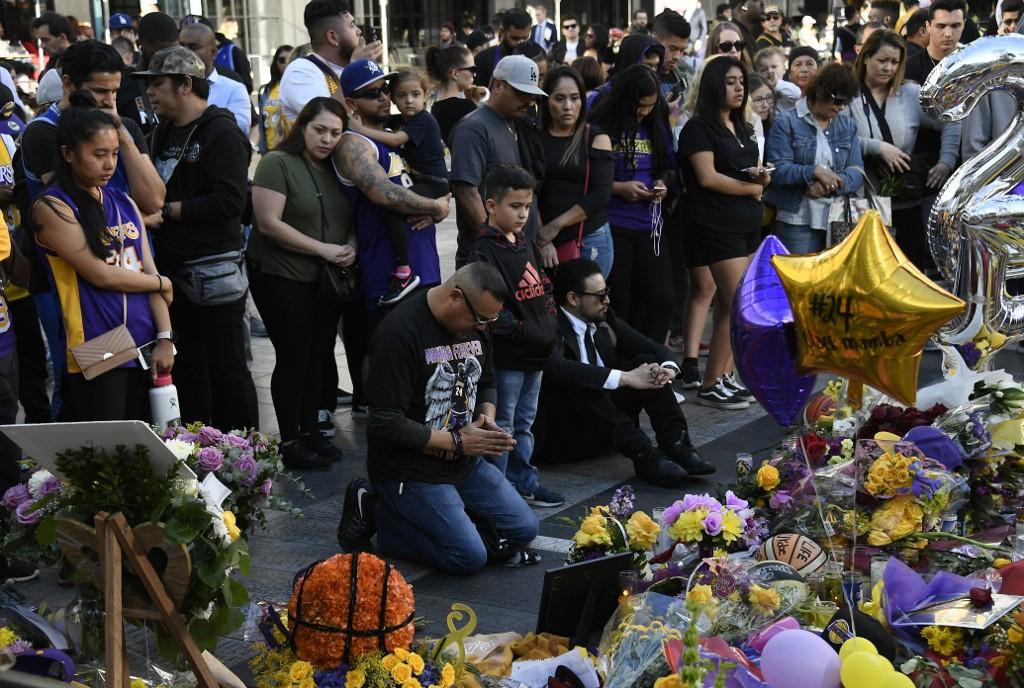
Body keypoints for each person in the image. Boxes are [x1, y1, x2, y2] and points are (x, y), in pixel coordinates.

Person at [337, 262, 539, 575]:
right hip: (408, 469)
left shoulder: (477, 322)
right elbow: (385, 422)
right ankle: (381, 516)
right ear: (455, 296)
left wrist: (486, 420)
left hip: (463, 461)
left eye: (490, 320)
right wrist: (458, 442)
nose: (483, 327)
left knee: (525, 529)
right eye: (480, 319)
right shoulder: (399, 333)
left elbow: (486, 381)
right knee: (468, 557)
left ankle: (453, 518)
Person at [136, 46, 258, 430]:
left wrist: (166, 211)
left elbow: (230, 202)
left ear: (186, 84)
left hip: (213, 270)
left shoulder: (222, 132)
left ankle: (246, 453)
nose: (150, 92)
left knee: (228, 371)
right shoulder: (161, 131)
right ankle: (198, 450)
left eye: (157, 83)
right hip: (169, 271)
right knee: (188, 370)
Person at [32, 93, 173, 422]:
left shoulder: (124, 201)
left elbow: (147, 267)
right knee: (110, 445)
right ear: (68, 153)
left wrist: (166, 337)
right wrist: (161, 282)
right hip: (97, 343)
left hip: (145, 338)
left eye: (114, 153)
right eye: (98, 154)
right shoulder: (53, 207)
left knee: (150, 441)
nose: (110, 164)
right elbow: (101, 274)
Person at [536, 258, 714, 484]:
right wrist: (628, 378)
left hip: (608, 431)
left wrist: (667, 369)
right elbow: (559, 370)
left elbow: (651, 348)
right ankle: (644, 454)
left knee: (648, 363)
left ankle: (677, 444)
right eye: (600, 295)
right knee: (584, 384)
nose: (607, 300)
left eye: (607, 292)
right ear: (573, 298)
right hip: (567, 438)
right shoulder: (549, 326)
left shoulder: (603, 318)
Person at [249, 97, 350, 470]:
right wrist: (323, 249)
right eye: (320, 130)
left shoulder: (340, 168)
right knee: (294, 355)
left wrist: (351, 246)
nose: (327, 139)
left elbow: (354, 214)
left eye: (335, 133)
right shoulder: (277, 163)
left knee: (318, 354)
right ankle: (290, 440)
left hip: (325, 279)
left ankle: (311, 431)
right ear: (303, 126)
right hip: (281, 274)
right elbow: (268, 223)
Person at [466, 165, 559, 506]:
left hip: (536, 354)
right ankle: (498, 491)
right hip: (508, 357)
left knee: (524, 424)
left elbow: (543, 287)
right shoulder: (483, 251)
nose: (523, 214)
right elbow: (487, 307)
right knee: (501, 426)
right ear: (491, 205)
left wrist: (549, 325)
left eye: (527, 206)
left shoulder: (524, 242)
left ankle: (524, 481)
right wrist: (523, 331)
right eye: (515, 206)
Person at [679, 56, 768, 409]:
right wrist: (752, 189)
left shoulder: (743, 126)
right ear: (715, 86)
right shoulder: (698, 128)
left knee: (732, 304)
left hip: (746, 223)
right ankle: (710, 382)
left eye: (741, 81)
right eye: (731, 82)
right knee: (739, 304)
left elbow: (747, 171)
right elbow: (707, 177)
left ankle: (725, 375)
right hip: (716, 224)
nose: (739, 88)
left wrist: (761, 178)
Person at [334, 59, 450, 316]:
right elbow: (385, 195)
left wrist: (436, 208)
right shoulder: (354, 144)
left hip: (426, 268)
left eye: (386, 89)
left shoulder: (397, 133)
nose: (384, 97)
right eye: (373, 93)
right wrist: (436, 206)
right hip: (388, 276)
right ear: (351, 103)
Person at [851, 30, 960, 275]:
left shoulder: (910, 93)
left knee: (909, 277)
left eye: (895, 62)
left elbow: (951, 119)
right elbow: (836, 139)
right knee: (868, 276)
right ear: (865, 57)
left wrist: (946, 161)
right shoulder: (849, 93)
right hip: (861, 201)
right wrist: (878, 147)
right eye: (882, 60)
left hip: (905, 202)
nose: (888, 68)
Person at [589, 64, 673, 343]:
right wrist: (620, 188)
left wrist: (661, 183)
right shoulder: (601, 126)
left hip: (650, 224)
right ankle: (621, 362)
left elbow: (667, 166)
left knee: (661, 299)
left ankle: (654, 358)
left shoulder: (655, 123)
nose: (644, 112)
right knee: (620, 302)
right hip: (614, 223)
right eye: (640, 105)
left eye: (650, 106)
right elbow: (587, 177)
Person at [450, 55, 546, 268]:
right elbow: (466, 190)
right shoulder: (473, 127)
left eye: (531, 95)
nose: (528, 101)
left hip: (517, 252)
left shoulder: (515, 123)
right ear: (499, 85)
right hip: (488, 259)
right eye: (521, 93)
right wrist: (495, 243)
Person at [766, 62, 864, 255]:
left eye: (846, 102)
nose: (841, 107)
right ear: (820, 92)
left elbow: (857, 171)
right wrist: (814, 172)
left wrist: (829, 184)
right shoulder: (786, 122)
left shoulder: (847, 125)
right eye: (837, 101)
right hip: (797, 218)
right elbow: (777, 169)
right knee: (799, 274)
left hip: (839, 218)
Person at [537, 66, 614, 276]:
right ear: (547, 100)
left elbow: (601, 194)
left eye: (574, 98)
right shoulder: (534, 138)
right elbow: (528, 191)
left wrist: (554, 226)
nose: (568, 106)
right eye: (559, 98)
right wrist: (543, 236)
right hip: (543, 239)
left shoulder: (595, 137)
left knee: (587, 296)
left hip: (589, 239)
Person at [278, 0, 382, 125]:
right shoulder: (300, 71)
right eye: (351, 25)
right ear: (332, 37)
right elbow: (326, 119)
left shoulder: (349, 67)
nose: (358, 31)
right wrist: (354, 69)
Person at [179, 22, 251, 132]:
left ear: (213, 53)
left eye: (193, 47)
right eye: (181, 46)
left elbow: (237, 131)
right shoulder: (170, 86)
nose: (185, 52)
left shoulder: (234, 89)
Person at [905, 0, 967, 84]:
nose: (948, 34)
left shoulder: (975, 62)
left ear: (964, 24)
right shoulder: (911, 67)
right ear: (928, 26)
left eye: (955, 26)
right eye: (941, 26)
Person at [427, 45, 478, 145]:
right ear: (455, 73)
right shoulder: (466, 107)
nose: (474, 74)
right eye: (472, 69)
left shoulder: (436, 107)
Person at [474, 8, 532, 86]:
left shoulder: (536, 56)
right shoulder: (484, 58)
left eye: (525, 38)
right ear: (503, 32)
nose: (520, 43)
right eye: (515, 38)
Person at [258, 44, 294, 154]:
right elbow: (262, 123)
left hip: (292, 151)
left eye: (291, 60)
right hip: (270, 150)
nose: (286, 64)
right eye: (282, 60)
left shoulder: (300, 87)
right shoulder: (267, 90)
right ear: (276, 63)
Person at [652, 10, 693, 105]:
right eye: (672, 49)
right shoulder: (638, 79)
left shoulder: (688, 77)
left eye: (682, 50)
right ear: (655, 40)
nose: (677, 57)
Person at [754, 46, 801, 113]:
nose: (769, 71)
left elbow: (797, 95)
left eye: (774, 67)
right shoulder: (758, 92)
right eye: (764, 69)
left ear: (784, 69)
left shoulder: (789, 87)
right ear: (758, 73)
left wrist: (777, 84)